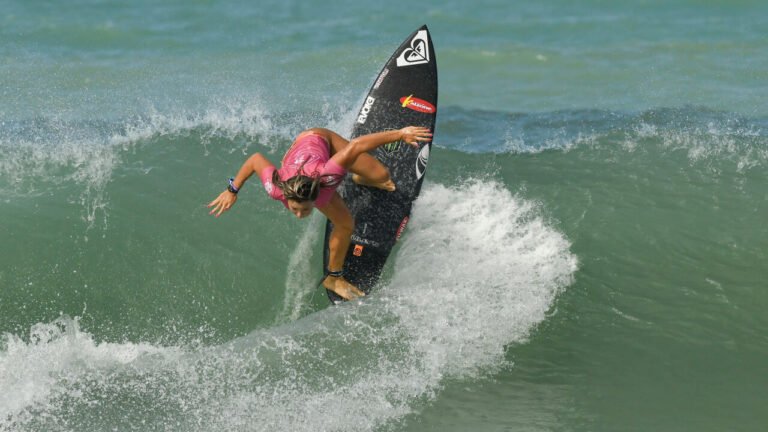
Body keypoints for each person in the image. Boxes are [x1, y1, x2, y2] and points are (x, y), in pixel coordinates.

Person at [207, 126, 432, 300]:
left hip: (322, 139)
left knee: (382, 176)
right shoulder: (276, 188)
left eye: (305, 209)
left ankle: (358, 177)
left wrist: (401, 134)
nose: (298, 214)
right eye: (295, 208)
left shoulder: (328, 176)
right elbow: (255, 159)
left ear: (315, 197)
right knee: (345, 225)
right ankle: (334, 279)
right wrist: (232, 190)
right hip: (299, 153)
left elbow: (356, 146)